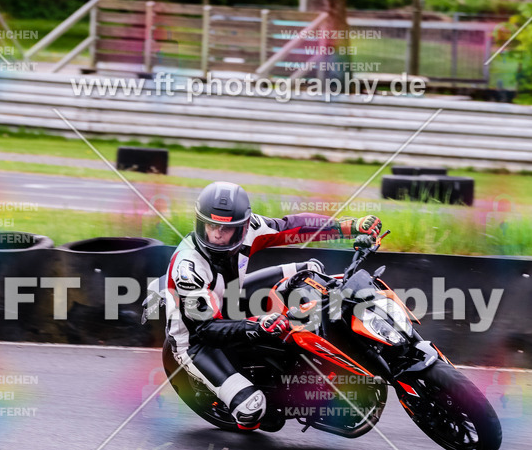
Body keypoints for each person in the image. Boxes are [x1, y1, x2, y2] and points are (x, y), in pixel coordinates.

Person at [162, 181, 382, 430]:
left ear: (243, 227)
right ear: (200, 222)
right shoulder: (188, 268)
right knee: (252, 410)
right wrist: (257, 325)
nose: (217, 235)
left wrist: (348, 226)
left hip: (231, 300)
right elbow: (205, 329)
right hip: (196, 340)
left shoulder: (251, 228)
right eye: (211, 226)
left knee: (311, 272)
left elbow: (293, 227)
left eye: (226, 228)